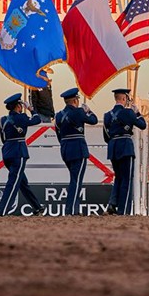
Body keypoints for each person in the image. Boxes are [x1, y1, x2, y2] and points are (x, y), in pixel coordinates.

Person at [0, 93, 44, 217]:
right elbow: (37, 119)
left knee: (22, 182)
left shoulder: (3, 120)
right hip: (19, 152)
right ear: (18, 106)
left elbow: (3, 137)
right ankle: (2, 210)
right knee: (13, 182)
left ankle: (37, 207)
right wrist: (31, 109)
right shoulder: (22, 117)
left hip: (7, 152)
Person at [55, 88, 98, 216]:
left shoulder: (59, 115)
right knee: (76, 181)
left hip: (66, 149)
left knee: (74, 179)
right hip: (78, 149)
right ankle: (72, 209)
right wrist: (88, 111)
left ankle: (73, 208)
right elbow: (93, 120)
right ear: (75, 100)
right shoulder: (79, 112)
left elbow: (58, 134)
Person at [103, 88, 147, 215]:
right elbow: (142, 125)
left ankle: (113, 202)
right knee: (127, 179)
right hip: (125, 146)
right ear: (124, 99)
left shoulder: (107, 115)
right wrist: (137, 112)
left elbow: (106, 136)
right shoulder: (128, 113)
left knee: (119, 177)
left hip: (113, 146)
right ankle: (123, 210)